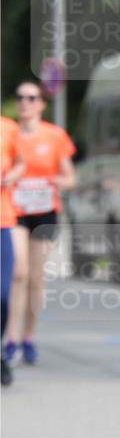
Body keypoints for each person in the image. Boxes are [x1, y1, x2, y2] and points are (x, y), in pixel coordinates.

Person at [4, 82, 75, 366]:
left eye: (32, 97)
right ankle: (10, 339)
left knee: (35, 277)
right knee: (17, 273)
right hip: (14, 209)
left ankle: (28, 337)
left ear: (41, 103)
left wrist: (56, 181)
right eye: (20, 97)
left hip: (44, 210)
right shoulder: (8, 132)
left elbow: (70, 177)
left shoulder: (54, 136)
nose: (25, 102)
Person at [1, 116, 24, 385]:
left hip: (2, 221)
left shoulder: (8, 127)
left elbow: (21, 164)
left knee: (3, 294)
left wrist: (10, 177)